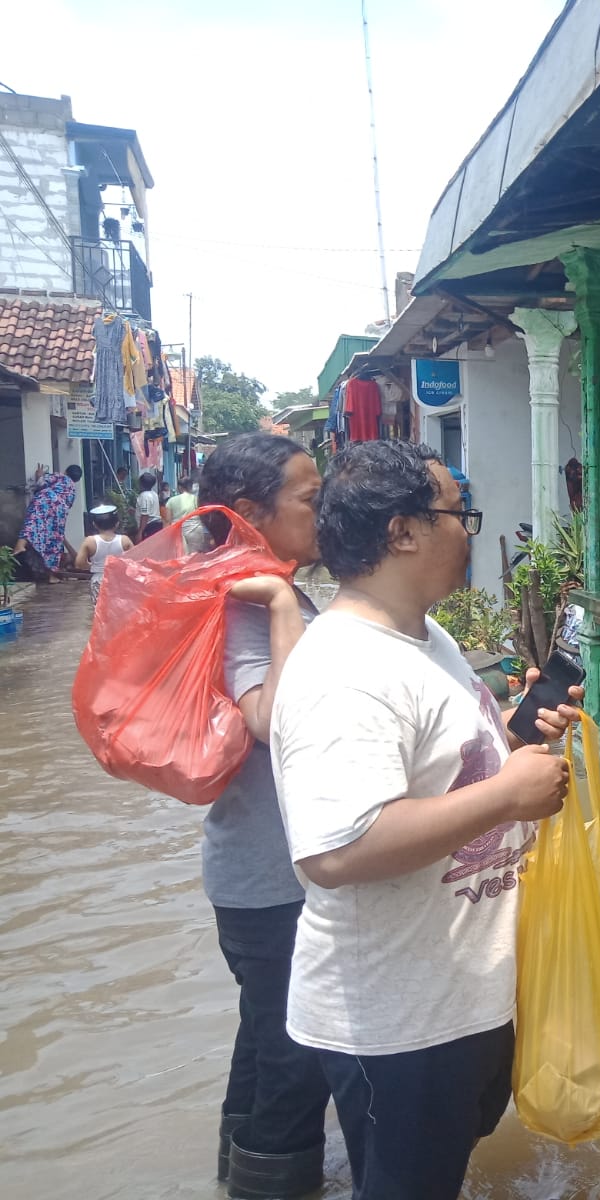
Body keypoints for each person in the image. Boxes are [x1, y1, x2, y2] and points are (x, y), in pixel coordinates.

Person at [270, 440, 582, 1200]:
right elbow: (339, 850)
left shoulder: (424, 634)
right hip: (395, 1023)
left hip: (457, 1001)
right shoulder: (344, 669)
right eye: (458, 513)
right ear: (403, 531)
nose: (469, 532)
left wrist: (512, 734)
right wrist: (508, 795)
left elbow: (442, 768)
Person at [195, 433, 330, 1198]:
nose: (324, 509)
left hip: (256, 871)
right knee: (293, 1060)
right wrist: (282, 602)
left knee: (264, 1044)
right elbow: (273, 721)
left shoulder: (260, 585)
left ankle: (234, 1179)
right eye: (309, 499)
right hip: (269, 880)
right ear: (249, 512)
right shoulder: (249, 598)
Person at [14, 462, 82, 582]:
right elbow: (68, 506)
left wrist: (39, 475)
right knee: (53, 541)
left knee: (32, 523)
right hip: (59, 512)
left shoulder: (60, 476)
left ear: (66, 471)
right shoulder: (72, 491)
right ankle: (50, 575)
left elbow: (41, 482)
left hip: (43, 501)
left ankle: (20, 545)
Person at [73, 504, 131, 609]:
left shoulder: (89, 541)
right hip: (120, 580)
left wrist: (91, 566)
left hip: (98, 580)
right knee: (120, 610)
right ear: (117, 524)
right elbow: (136, 560)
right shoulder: (125, 540)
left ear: (95, 524)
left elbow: (79, 563)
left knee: (100, 612)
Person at [135, 471, 163, 541]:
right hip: (156, 525)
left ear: (141, 484)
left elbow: (145, 515)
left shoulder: (144, 496)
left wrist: (140, 532)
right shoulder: (154, 494)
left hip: (149, 527)